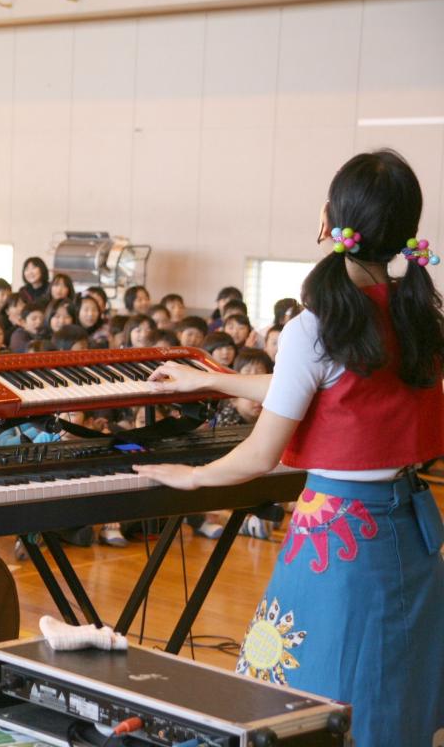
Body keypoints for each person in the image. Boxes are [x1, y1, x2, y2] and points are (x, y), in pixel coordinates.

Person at [137, 150, 444, 746]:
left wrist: (190, 477)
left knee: (308, 702)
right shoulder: (417, 314)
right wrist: (214, 378)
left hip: (339, 540)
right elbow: (328, 395)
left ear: (329, 221)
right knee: (392, 695)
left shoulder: (317, 324)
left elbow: (260, 452)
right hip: (411, 534)